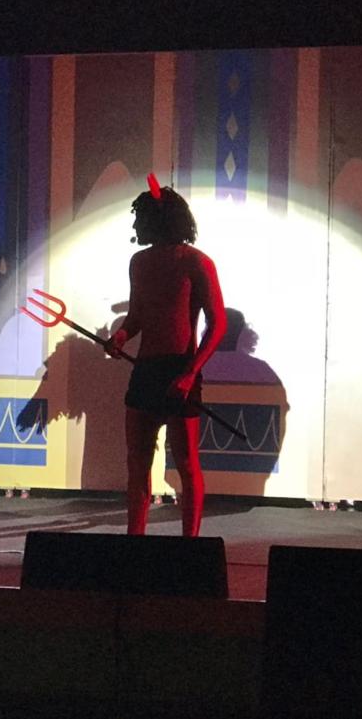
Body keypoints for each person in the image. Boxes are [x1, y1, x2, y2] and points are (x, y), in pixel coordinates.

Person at [106, 181, 226, 537]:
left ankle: (190, 545)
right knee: (137, 462)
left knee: (186, 464)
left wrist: (190, 374)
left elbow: (217, 324)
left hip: (180, 369)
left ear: (157, 220)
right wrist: (121, 336)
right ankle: (134, 541)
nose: (135, 225)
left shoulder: (197, 262)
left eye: (140, 218)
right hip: (146, 370)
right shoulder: (139, 262)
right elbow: (136, 317)